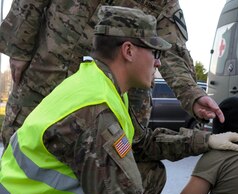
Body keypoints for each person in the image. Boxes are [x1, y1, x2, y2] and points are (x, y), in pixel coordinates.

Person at [0, 6, 238, 194]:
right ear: (129, 51)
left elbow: (141, 142)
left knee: (150, 171)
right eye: (155, 53)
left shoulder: (99, 86)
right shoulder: (94, 112)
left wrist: (207, 140)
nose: (158, 63)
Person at [0, 0, 223, 148]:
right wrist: (20, 46)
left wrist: (192, 94)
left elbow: (170, 48)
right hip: (48, 72)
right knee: (22, 147)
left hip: (116, 95)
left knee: (127, 168)